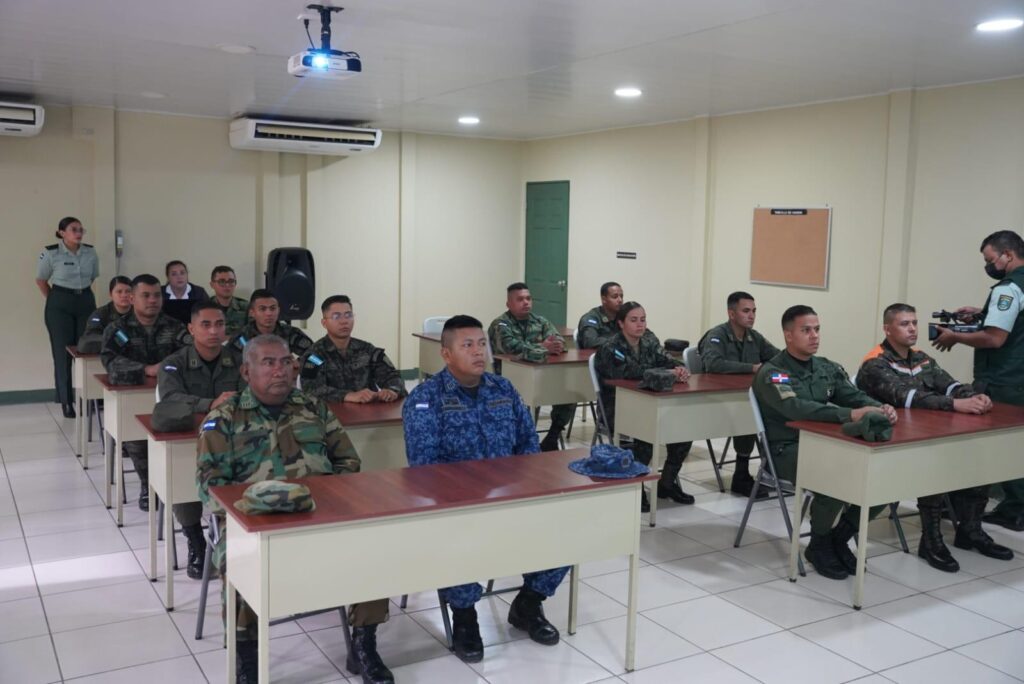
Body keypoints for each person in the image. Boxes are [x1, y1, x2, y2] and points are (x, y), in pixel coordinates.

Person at [197, 334, 393, 684]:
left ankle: (364, 643)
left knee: (372, 547)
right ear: (246, 371)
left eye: (286, 362)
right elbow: (209, 486)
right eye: (268, 363)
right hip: (252, 521)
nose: (280, 370)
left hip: (319, 513)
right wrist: (252, 511)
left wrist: (332, 499)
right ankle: (247, 656)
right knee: (238, 560)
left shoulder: (314, 407)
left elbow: (348, 461)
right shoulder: (224, 418)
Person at [403, 315, 569, 663]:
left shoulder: (503, 389)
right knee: (455, 540)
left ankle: (528, 604)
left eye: (482, 344)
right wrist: (472, 498)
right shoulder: (425, 399)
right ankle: (465, 618)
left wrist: (523, 490)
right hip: (457, 506)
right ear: (446, 354)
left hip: (509, 499)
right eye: (468, 345)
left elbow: (528, 445)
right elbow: (425, 467)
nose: (479, 352)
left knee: (567, 531)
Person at [857, 303, 1013, 572]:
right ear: (887, 329)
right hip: (891, 446)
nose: (912, 328)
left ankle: (970, 530)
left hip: (925, 436)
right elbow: (907, 398)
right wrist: (955, 405)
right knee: (936, 460)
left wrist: (973, 396)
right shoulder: (875, 363)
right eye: (904, 324)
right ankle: (930, 540)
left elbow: (950, 385)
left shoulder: (922, 358)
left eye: (914, 323)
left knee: (980, 454)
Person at [754, 305, 898, 580]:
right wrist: (849, 415)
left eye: (817, 329)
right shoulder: (774, 372)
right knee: (836, 474)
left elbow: (853, 396)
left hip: (824, 443)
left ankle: (839, 536)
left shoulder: (826, 367)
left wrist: (881, 407)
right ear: (788, 335)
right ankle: (819, 543)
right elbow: (795, 408)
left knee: (884, 474)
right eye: (806, 330)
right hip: (786, 449)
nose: (814, 336)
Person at [932, 230, 1024, 532]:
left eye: (990, 259)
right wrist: (982, 313)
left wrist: (954, 336)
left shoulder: (1008, 289)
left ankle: (1012, 510)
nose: (988, 266)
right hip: (1019, 377)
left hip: (1004, 380)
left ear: (1008, 255)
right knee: (1017, 445)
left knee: (998, 448)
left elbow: (995, 338)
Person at [156, 301, 246, 579]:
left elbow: (252, 393)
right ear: (191, 329)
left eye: (219, 325)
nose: (213, 331)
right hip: (191, 438)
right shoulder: (174, 363)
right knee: (184, 475)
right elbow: (170, 398)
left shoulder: (240, 360)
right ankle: (194, 537)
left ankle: (234, 534)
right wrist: (210, 403)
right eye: (205, 325)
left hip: (235, 437)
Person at [100, 274, 189, 511]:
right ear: (132, 298)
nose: (152, 300)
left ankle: (178, 484)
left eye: (157, 295)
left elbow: (189, 354)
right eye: (146, 295)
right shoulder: (118, 329)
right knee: (137, 436)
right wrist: (145, 370)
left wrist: (169, 369)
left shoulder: (175, 327)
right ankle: (147, 485)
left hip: (170, 395)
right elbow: (110, 361)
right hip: (133, 398)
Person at [594, 302, 694, 511]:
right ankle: (636, 486)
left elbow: (667, 359)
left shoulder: (648, 341)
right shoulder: (611, 347)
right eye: (633, 320)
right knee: (645, 434)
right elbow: (628, 372)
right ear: (621, 323)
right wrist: (665, 373)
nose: (640, 325)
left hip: (649, 403)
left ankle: (667, 482)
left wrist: (680, 369)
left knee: (683, 431)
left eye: (643, 320)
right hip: (617, 407)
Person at [697, 291, 780, 497]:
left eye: (754, 311)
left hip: (744, 397)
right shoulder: (717, 335)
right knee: (749, 414)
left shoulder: (754, 336)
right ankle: (741, 476)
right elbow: (713, 364)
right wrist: (752, 368)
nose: (751, 316)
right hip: (716, 401)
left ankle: (772, 471)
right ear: (731, 314)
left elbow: (778, 358)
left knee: (772, 412)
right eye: (746, 311)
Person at [488, 282, 573, 450]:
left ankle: (552, 437)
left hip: (540, 375)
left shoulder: (540, 321)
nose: (526, 302)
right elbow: (510, 347)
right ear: (508, 304)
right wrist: (543, 347)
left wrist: (550, 346)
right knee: (524, 402)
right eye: (520, 299)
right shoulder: (501, 324)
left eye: (528, 298)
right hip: (508, 378)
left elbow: (559, 341)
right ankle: (523, 442)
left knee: (567, 394)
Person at [35, 216, 100, 418]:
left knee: (87, 350)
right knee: (62, 353)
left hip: (85, 300)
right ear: (62, 233)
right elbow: (41, 280)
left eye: (81, 229)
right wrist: (56, 300)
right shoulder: (51, 253)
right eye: (74, 229)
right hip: (59, 304)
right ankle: (66, 401)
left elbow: (92, 276)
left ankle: (89, 398)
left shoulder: (90, 252)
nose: (79, 233)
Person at [300, 295, 407, 403]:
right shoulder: (315, 355)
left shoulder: (367, 350)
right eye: (336, 316)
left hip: (368, 409)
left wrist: (392, 390)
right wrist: (347, 396)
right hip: (331, 411)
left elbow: (393, 376)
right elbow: (311, 389)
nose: (344, 321)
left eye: (348, 315)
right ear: (324, 323)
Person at [228, 288, 313, 357]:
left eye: (273, 308)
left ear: (278, 310)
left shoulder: (290, 333)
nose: (269, 313)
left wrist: (298, 365)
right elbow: (230, 361)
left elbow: (315, 357)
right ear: (252, 312)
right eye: (262, 309)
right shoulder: (242, 337)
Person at [77, 276, 133, 353]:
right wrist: (120, 339)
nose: (124, 295)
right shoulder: (100, 314)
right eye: (119, 292)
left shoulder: (141, 312)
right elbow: (90, 338)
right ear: (111, 294)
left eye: (128, 291)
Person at [576, 281, 624, 349]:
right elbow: (591, 342)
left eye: (621, 296)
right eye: (615, 297)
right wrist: (620, 342)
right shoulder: (590, 318)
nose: (620, 300)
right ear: (604, 299)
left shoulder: (623, 316)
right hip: (597, 354)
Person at [162, 260, 209, 325]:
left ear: (187, 275)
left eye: (182, 273)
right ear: (168, 277)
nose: (179, 277)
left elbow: (208, 314)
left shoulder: (199, 292)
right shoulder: (160, 293)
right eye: (174, 274)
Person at [209, 265, 249, 336]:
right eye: (222, 281)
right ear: (212, 285)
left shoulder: (246, 307)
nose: (227, 285)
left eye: (231, 281)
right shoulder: (205, 308)